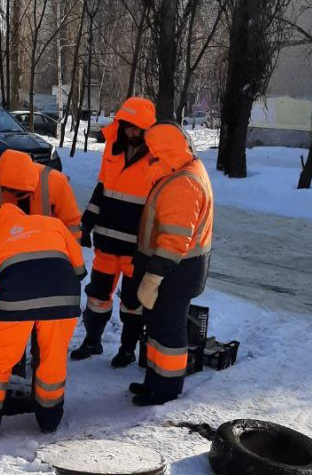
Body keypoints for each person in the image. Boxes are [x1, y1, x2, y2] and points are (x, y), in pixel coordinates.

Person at [0, 203, 86, 440]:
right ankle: (49, 419)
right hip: (63, 296)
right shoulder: (52, 224)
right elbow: (80, 268)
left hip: (15, 301)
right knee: (52, 357)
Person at [129, 122, 214, 407]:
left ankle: (165, 389)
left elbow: (174, 241)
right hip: (174, 268)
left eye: (152, 151)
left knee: (168, 328)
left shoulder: (183, 183)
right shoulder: (178, 172)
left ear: (164, 150)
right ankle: (154, 380)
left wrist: (152, 279)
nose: (149, 156)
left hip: (175, 270)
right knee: (157, 324)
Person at [70, 97, 156, 367]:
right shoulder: (112, 149)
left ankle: (127, 350)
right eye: (126, 126)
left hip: (135, 249)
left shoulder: (157, 157)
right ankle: (92, 340)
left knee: (132, 302)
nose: (130, 132)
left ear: (147, 129)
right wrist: (87, 222)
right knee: (97, 296)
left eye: (136, 128)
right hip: (106, 242)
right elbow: (102, 190)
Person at [0, 149, 80, 240]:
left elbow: (71, 224)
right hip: (10, 247)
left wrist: (70, 253)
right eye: (12, 191)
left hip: (48, 245)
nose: (16, 195)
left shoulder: (57, 182)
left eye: (21, 193)